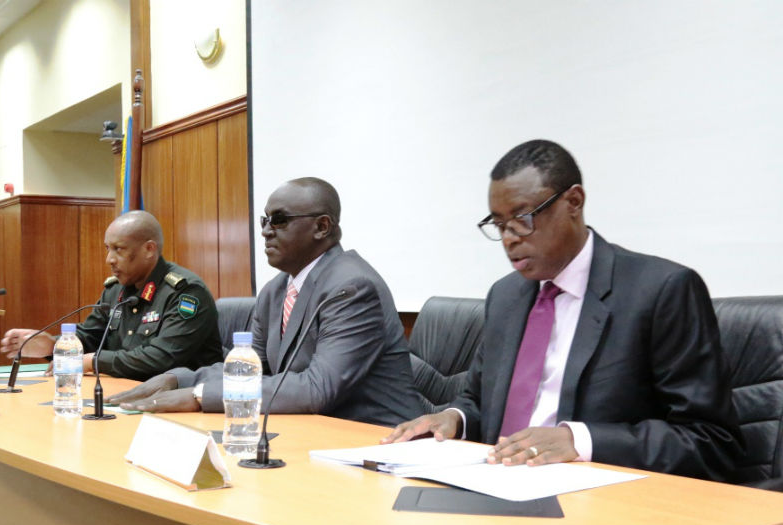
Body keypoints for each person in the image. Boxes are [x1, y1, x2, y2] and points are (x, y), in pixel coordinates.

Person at [382, 139, 743, 481]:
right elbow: (481, 402)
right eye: (499, 224)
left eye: (523, 218)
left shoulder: (660, 291)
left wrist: (581, 441)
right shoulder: (506, 296)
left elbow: (711, 441)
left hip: (599, 507)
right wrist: (453, 418)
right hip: (491, 485)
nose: (509, 237)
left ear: (573, 202)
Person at [108, 178, 424, 427]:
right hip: (312, 433)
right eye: (264, 220)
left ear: (322, 227)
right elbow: (250, 368)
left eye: (279, 220)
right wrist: (180, 378)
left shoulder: (353, 287)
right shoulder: (275, 290)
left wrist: (198, 395)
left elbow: (317, 389)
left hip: (377, 442)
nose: (265, 231)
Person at [0, 210, 222, 381]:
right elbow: (91, 337)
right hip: (127, 393)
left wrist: (94, 361)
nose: (109, 259)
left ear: (149, 249)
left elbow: (161, 358)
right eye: (108, 248)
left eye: (119, 249)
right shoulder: (116, 290)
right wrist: (52, 345)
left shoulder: (186, 293)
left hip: (183, 405)